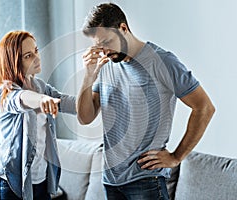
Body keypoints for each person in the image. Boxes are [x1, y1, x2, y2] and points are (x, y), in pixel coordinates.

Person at [77, 3, 215, 200]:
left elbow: (204, 107)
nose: (104, 51)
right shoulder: (105, 65)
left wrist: (176, 157)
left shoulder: (163, 61)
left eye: (107, 42)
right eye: (99, 46)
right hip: (111, 181)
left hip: (146, 180)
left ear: (123, 28)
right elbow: (85, 117)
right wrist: (88, 77)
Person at [0, 30, 76, 200]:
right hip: (9, 184)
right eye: (28, 56)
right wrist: (42, 99)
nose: (37, 58)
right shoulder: (4, 93)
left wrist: (90, 76)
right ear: (14, 62)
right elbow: (21, 98)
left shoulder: (41, 87)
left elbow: (74, 105)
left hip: (40, 183)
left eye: (36, 51)